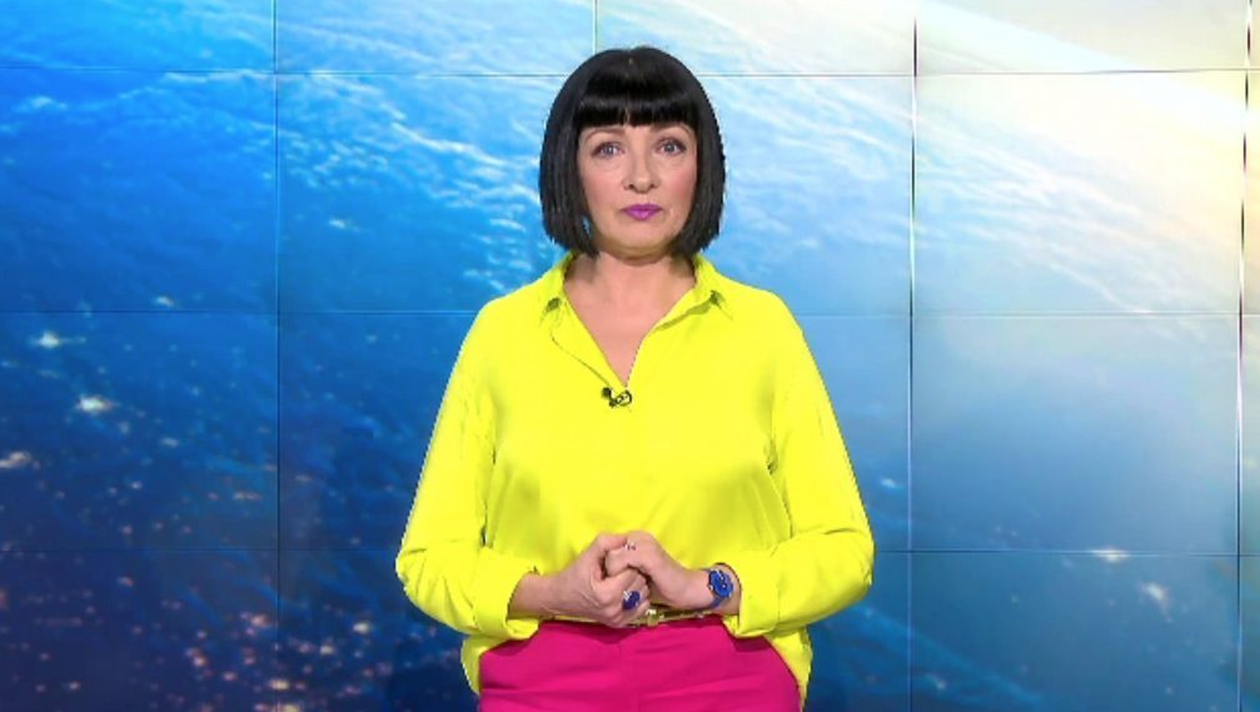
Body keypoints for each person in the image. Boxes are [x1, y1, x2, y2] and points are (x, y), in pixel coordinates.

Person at [395, 45, 874, 711]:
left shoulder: (762, 328)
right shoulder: (503, 333)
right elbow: (430, 559)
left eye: (669, 146)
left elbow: (844, 550)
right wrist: (552, 592)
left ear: (702, 166)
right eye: (609, 148)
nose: (641, 177)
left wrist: (710, 585)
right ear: (569, 168)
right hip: (543, 675)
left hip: (730, 672)